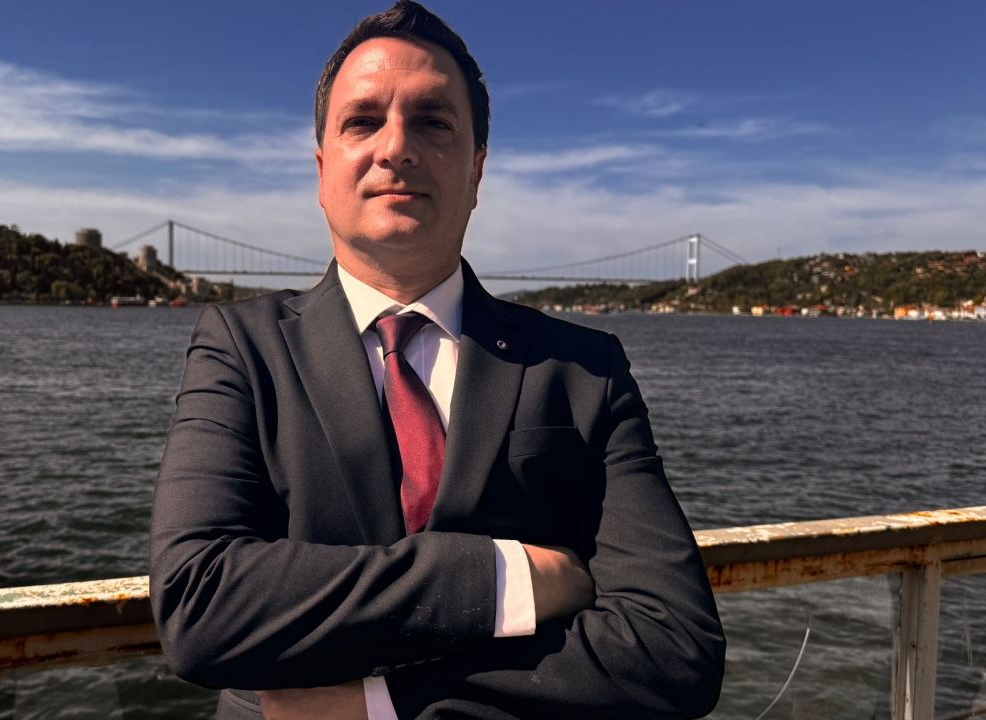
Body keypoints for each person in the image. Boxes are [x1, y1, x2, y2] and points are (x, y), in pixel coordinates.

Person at [149, 2, 725, 718]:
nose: (396, 147)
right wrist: (505, 579)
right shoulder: (241, 346)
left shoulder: (584, 371)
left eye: (433, 122)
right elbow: (199, 605)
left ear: (477, 171)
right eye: (363, 122)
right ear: (322, 169)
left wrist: (380, 704)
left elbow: (674, 648)